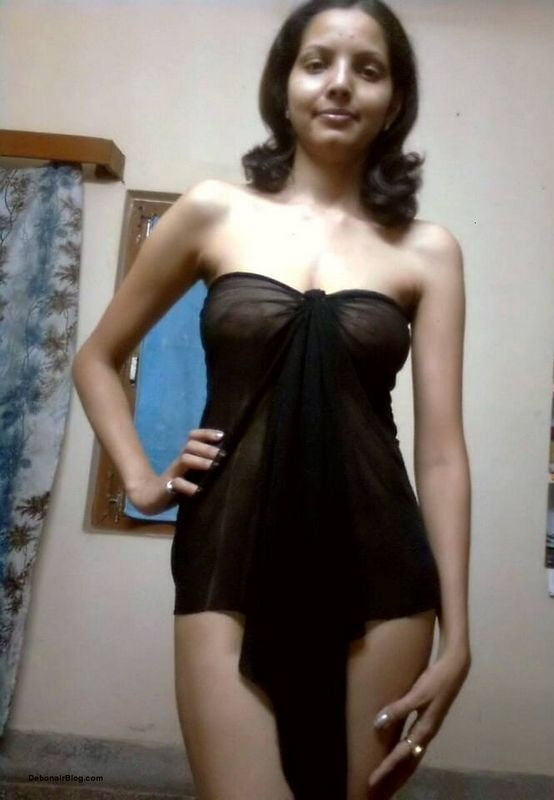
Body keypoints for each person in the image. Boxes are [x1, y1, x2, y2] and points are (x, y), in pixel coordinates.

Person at [72, 0, 472, 798]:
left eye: (368, 69)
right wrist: (142, 481)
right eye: (317, 63)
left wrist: (458, 636)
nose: (340, 84)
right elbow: (97, 359)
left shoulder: (429, 251)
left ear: (394, 100)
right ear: (284, 85)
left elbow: (440, 453)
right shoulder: (212, 211)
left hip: (384, 570)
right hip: (227, 556)